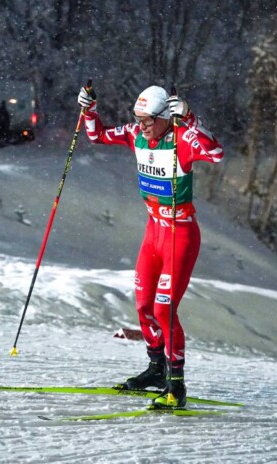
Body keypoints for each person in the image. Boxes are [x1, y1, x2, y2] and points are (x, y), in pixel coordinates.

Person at [77, 84, 224, 408]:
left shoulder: (182, 138)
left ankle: (176, 386)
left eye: (146, 120)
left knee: (163, 310)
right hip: (153, 232)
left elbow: (215, 153)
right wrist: (88, 110)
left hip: (179, 234)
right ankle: (156, 370)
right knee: (143, 305)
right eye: (137, 118)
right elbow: (97, 136)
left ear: (164, 118)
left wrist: (190, 118)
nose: (140, 125)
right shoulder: (135, 134)